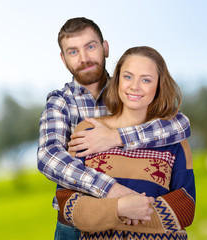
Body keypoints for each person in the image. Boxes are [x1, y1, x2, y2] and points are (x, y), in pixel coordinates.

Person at [37, 17, 191, 239]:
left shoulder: (129, 89)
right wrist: (109, 190)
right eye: (73, 52)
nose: (84, 58)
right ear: (63, 59)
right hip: (76, 224)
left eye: (90, 47)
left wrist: (115, 137)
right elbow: (48, 156)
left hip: (138, 218)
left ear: (105, 48)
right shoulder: (61, 102)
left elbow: (179, 124)